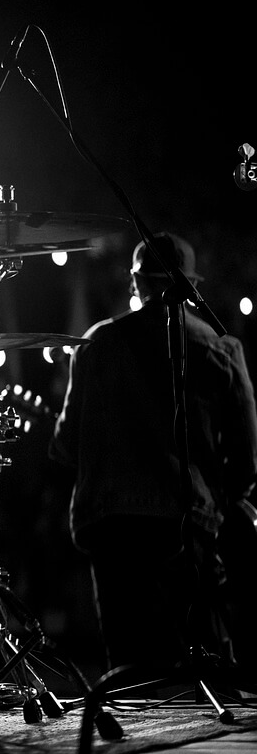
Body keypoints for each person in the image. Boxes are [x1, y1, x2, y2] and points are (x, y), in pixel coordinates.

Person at [49, 231, 257, 679]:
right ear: (191, 286)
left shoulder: (95, 343)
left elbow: (65, 445)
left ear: (136, 282)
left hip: (111, 522)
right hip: (186, 522)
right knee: (195, 674)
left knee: (129, 672)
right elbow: (245, 459)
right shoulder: (221, 347)